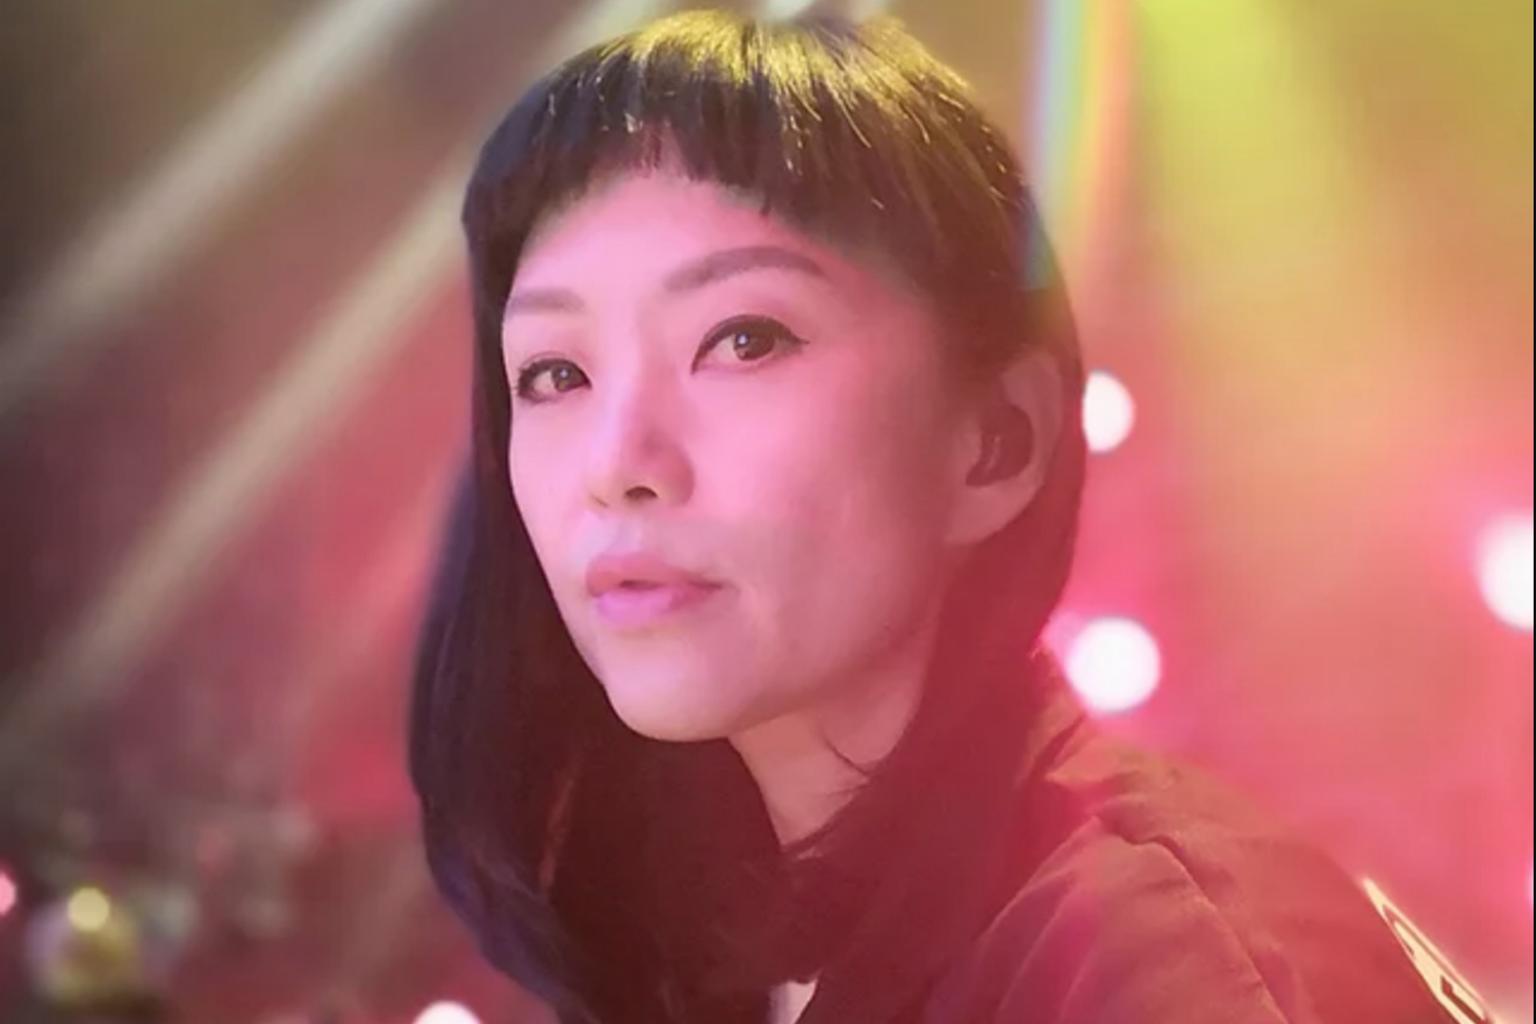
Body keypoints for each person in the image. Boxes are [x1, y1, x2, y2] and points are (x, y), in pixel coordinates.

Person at [408, 10, 1483, 1023]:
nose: (616, 465)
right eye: (554, 373)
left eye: (743, 339)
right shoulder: (727, 943)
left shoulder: (1142, 960)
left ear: (995, 442)